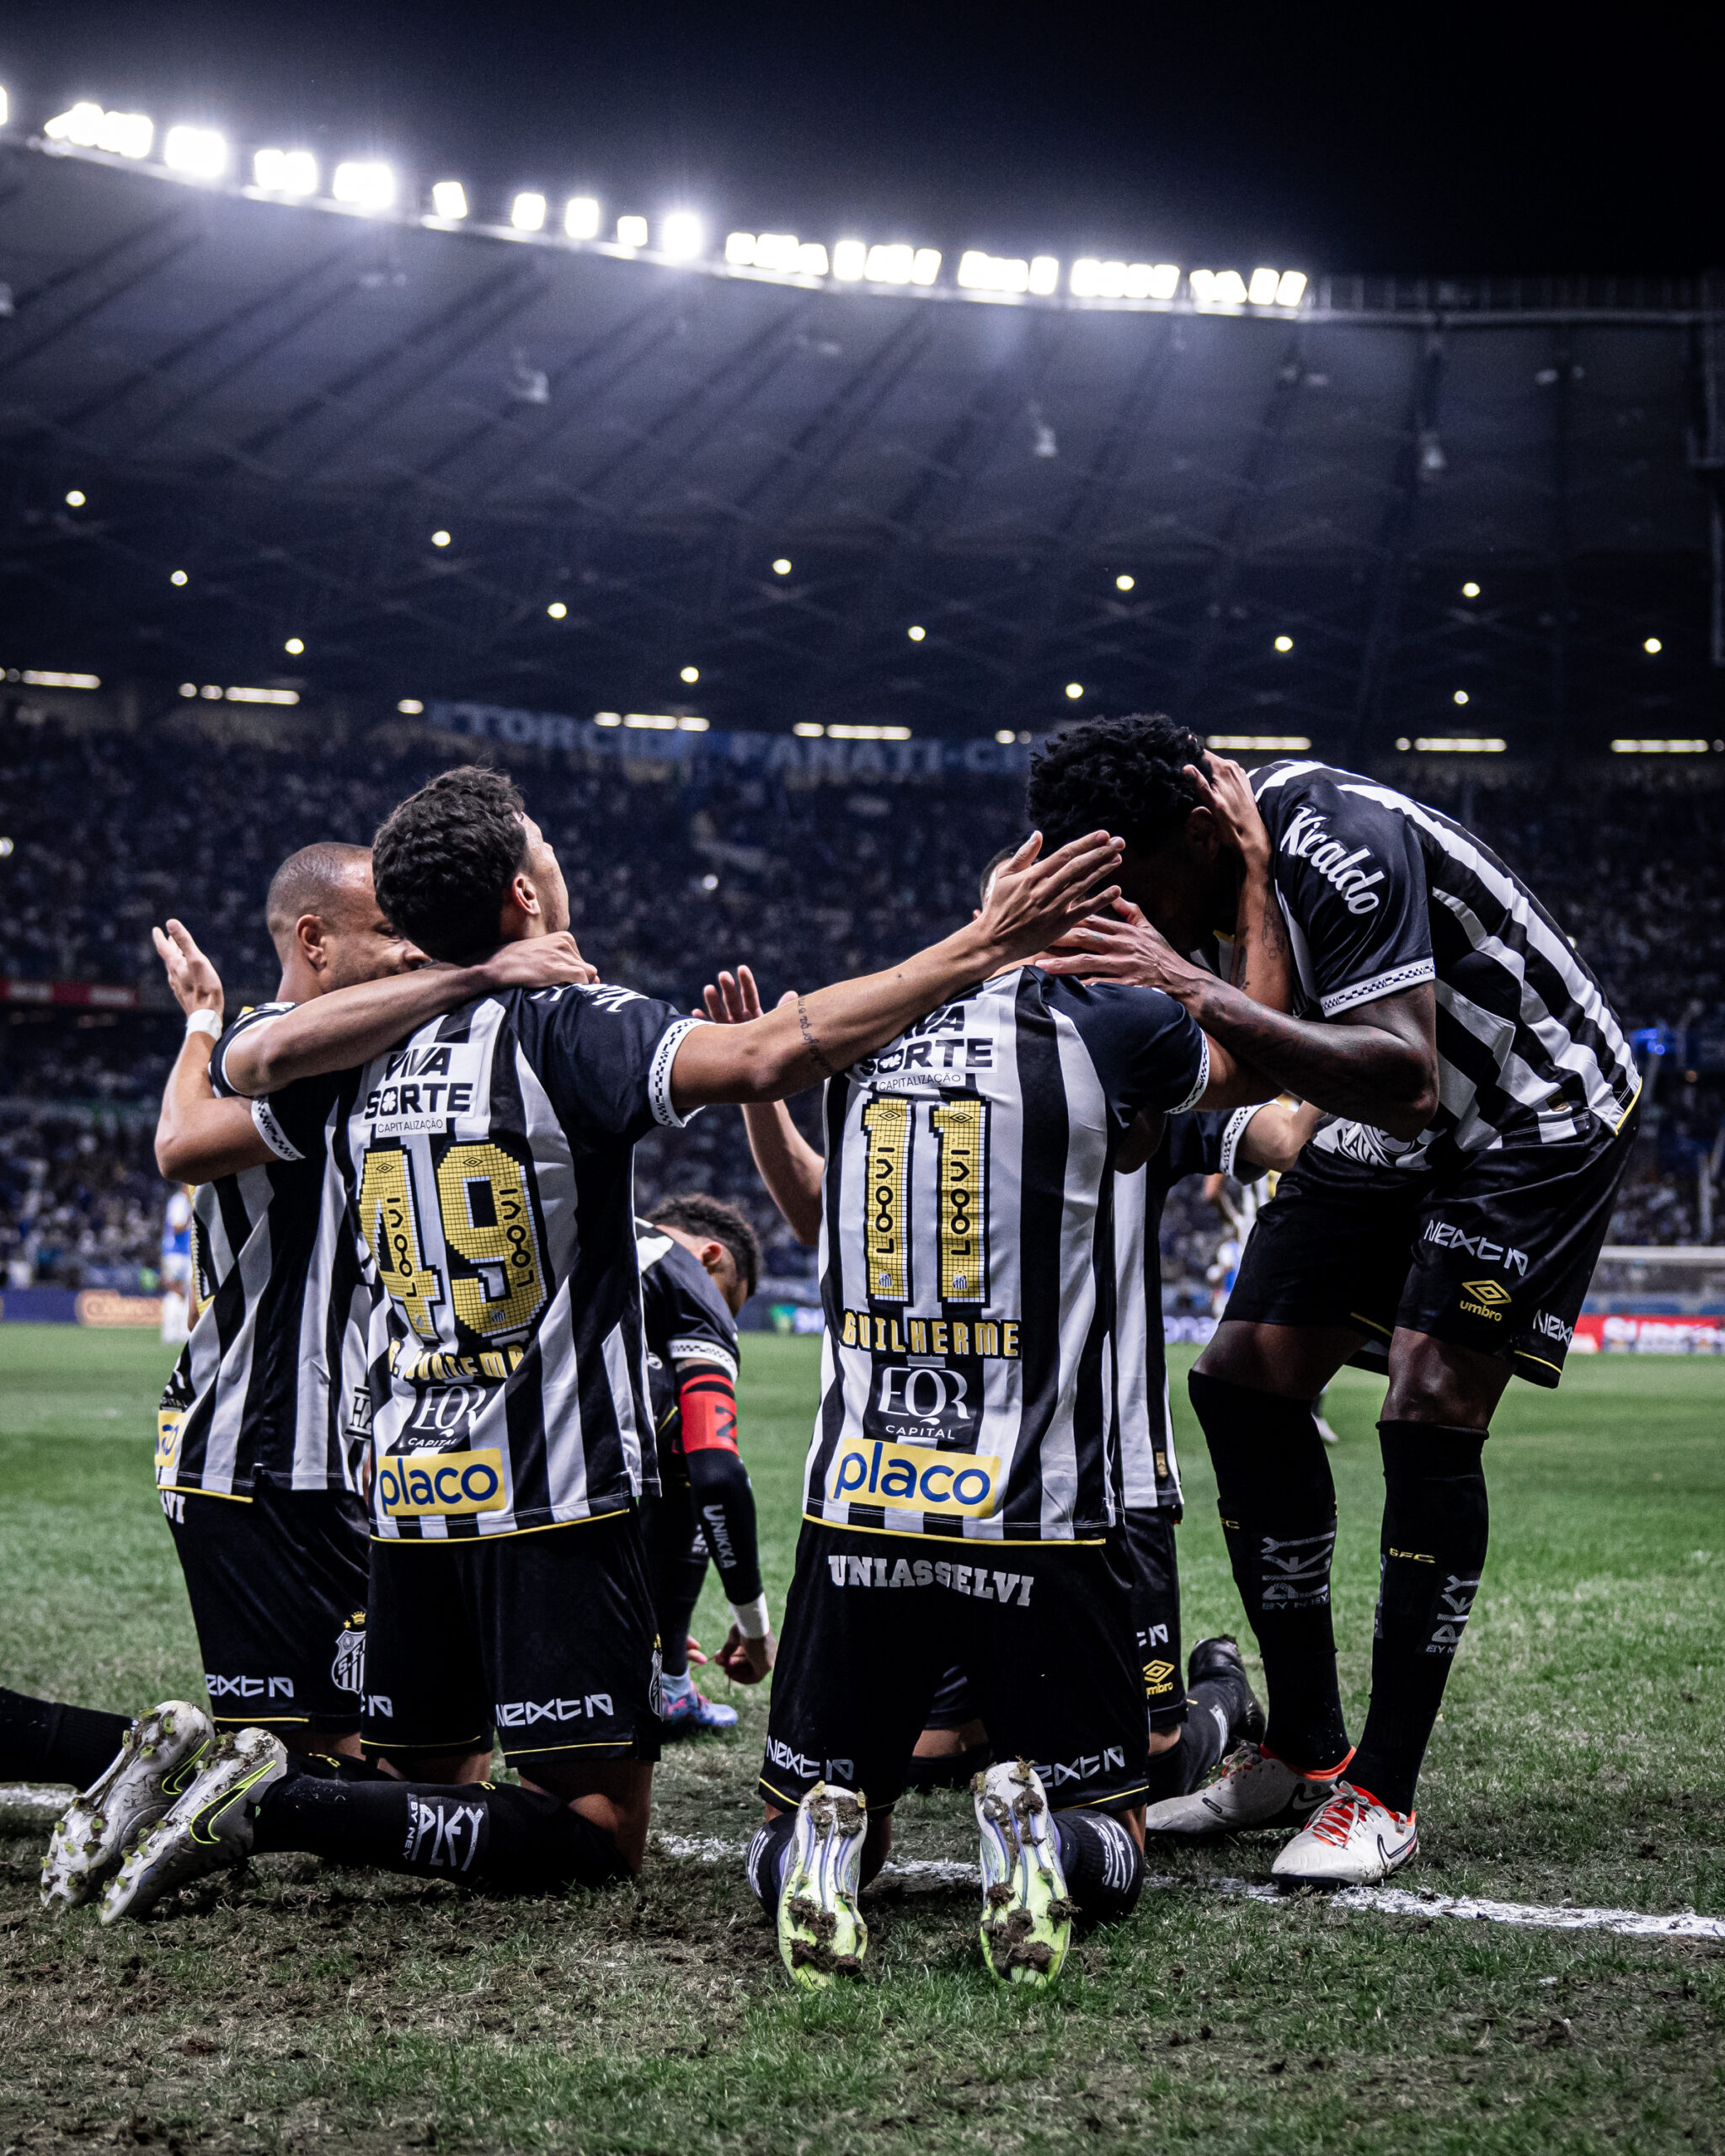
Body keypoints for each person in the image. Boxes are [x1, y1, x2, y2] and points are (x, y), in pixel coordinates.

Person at [92, 765, 1134, 1924]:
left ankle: (277, 1795)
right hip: (555, 1495)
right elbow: (766, 1055)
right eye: (543, 848)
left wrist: (431, 982)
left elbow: (240, 1072)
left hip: (406, 1493)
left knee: (434, 1779)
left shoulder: (346, 1049)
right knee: (596, 1831)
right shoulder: (568, 1024)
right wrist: (982, 944)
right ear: (524, 893)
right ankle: (277, 1803)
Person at [1029, 714, 1641, 1884]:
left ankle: (1383, 1793)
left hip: (1525, 1111)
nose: (1134, 916)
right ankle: (1305, 1752)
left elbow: (1402, 1076)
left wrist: (1183, 982)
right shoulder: (1233, 869)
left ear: (1198, 830)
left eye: (1136, 888)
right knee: (1240, 1384)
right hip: (1388, 1119)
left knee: (1428, 1399)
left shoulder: (1333, 835)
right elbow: (1270, 1067)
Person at [733, 877, 1276, 1992]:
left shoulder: (860, 1021)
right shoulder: (1112, 1029)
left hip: (861, 1502)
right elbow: (1267, 1079)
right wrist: (1251, 904)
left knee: (820, 1806)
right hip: (1044, 1503)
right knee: (1117, 1823)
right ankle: (1043, 1842)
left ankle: (820, 1852)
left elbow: (814, 1193)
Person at [42, 843, 592, 1914]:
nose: (411, 951)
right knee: (318, 1766)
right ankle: (123, 1764)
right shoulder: (293, 1051)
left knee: (424, 1758)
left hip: (347, 1453)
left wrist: (198, 1022)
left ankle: (153, 1765)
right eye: (388, 932)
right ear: (314, 939)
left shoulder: (341, 1047)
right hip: (256, 1452)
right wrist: (481, 971)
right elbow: (180, 1143)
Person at [636, 1194, 775, 1732]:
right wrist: (755, 1628)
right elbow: (715, 1474)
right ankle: (668, 1683)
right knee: (684, 1444)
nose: (723, 1318)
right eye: (728, 1303)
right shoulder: (682, 1271)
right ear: (711, 1256)